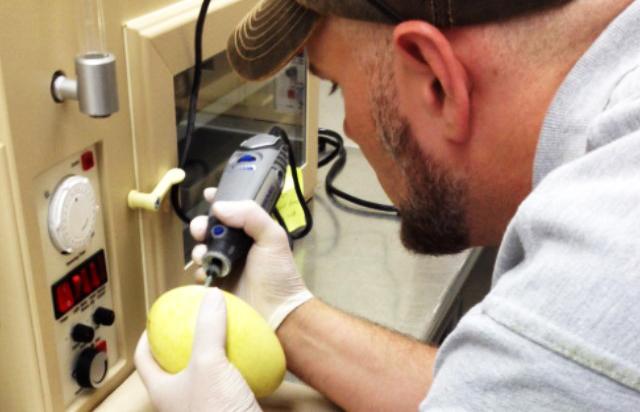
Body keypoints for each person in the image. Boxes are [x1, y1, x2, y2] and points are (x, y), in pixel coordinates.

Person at [135, 0, 640, 410]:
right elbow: (498, 388)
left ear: (436, 80)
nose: (349, 127)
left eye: (335, 83)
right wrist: (283, 312)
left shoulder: (607, 252)